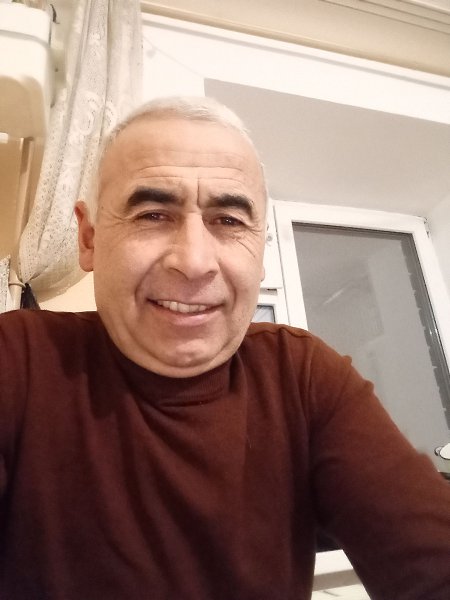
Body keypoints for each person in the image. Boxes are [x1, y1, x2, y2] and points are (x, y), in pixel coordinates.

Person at [1, 96, 449, 600]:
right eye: (152, 214)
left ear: (260, 251)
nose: (194, 262)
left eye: (230, 221)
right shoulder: (17, 359)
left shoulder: (303, 378)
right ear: (89, 239)